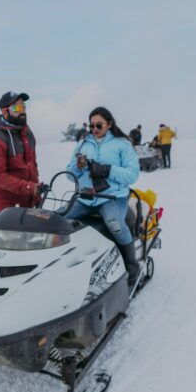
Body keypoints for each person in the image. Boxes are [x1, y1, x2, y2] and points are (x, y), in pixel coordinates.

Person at [65, 106, 142, 284]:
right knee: (60, 220)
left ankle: (132, 265)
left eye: (99, 125)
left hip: (113, 197)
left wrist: (108, 170)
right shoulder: (83, 144)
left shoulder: (122, 144)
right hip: (86, 197)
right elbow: (70, 174)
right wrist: (77, 167)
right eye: (92, 126)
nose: (95, 130)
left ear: (109, 124)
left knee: (114, 222)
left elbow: (132, 174)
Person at [0, 91, 43, 215]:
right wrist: (29, 188)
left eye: (24, 107)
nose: (22, 111)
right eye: (17, 107)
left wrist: (36, 193)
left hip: (29, 202)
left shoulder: (27, 133)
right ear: (5, 112)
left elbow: (32, 165)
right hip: (8, 209)